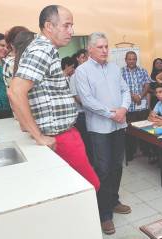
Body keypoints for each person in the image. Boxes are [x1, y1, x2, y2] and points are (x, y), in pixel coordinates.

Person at [8, 5, 101, 232]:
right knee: (89, 187)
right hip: (59, 136)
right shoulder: (42, 49)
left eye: (72, 25)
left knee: (73, 191)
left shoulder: (41, 48)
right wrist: (38, 135)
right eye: (66, 25)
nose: (71, 31)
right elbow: (15, 91)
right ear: (49, 27)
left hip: (63, 132)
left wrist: (27, 125)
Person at [74, 32, 132, 234]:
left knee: (117, 166)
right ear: (90, 49)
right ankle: (104, 213)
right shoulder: (82, 71)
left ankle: (114, 201)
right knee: (103, 169)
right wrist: (111, 114)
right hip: (99, 128)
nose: (105, 50)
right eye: (100, 47)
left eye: (106, 46)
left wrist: (123, 109)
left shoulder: (115, 68)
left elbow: (125, 90)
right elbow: (87, 100)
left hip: (119, 125)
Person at [121, 51, 151, 162]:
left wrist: (140, 95)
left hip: (142, 107)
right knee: (130, 132)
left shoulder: (142, 71)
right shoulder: (120, 72)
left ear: (136, 59)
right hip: (129, 108)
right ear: (125, 60)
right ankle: (130, 154)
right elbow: (119, 88)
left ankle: (146, 152)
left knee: (145, 131)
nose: (132, 61)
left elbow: (147, 85)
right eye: (129, 59)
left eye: (134, 59)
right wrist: (132, 96)